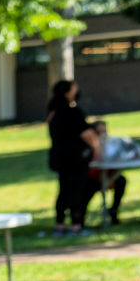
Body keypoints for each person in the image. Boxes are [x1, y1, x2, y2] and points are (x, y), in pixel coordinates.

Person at [47, 79, 98, 237]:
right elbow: (87, 134)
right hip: (76, 157)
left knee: (63, 190)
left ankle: (60, 224)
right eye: (74, 88)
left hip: (60, 157)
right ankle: (76, 225)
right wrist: (97, 149)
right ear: (68, 92)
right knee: (77, 190)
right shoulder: (72, 111)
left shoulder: (52, 112)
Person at [88, 118, 140, 225]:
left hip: (110, 175)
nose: (103, 135)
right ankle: (79, 220)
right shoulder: (90, 146)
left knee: (121, 180)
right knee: (87, 188)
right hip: (93, 177)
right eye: (100, 132)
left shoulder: (111, 144)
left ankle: (114, 211)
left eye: (105, 131)